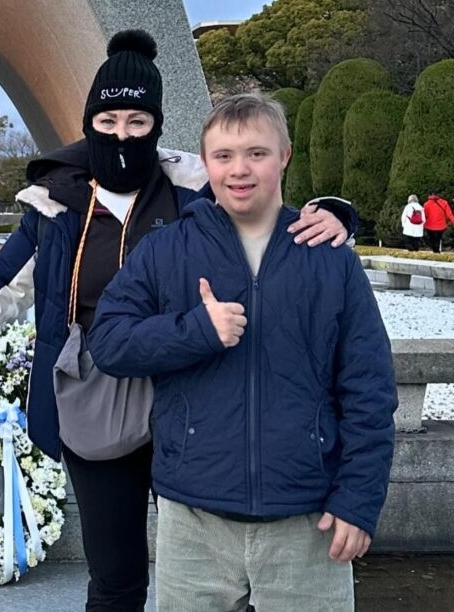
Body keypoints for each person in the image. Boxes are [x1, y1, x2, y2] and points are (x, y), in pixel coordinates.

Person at [0, 32, 354, 611]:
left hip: (191, 391)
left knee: (215, 578)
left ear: (156, 124)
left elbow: (265, 202)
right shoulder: (56, 208)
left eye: (138, 121)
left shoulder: (195, 191)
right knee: (116, 579)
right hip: (94, 400)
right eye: (108, 119)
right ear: (89, 120)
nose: (121, 134)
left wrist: (336, 214)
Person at [89, 94, 396, 612]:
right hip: (194, 517)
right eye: (224, 156)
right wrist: (195, 330)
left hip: (307, 519)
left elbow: (369, 388)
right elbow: (109, 341)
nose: (239, 170)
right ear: (205, 164)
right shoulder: (168, 249)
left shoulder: (328, 259)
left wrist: (359, 502)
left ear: (285, 157)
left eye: (257, 153)